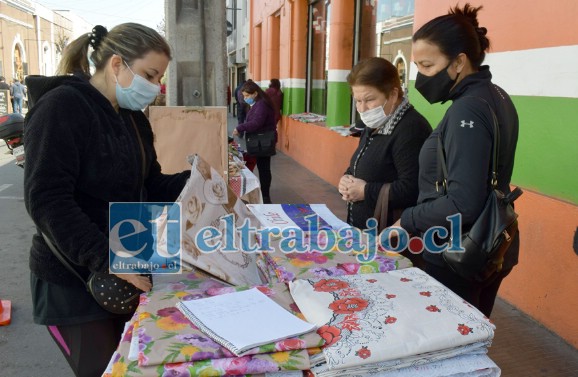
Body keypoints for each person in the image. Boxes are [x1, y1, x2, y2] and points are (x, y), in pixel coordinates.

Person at [23, 24, 191, 377]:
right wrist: (105, 258)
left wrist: (200, 182)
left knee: (137, 365)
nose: (156, 86)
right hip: (73, 278)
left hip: (127, 262)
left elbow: (151, 185)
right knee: (103, 370)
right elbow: (47, 199)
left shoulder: (132, 119)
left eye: (159, 77)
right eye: (149, 74)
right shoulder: (62, 108)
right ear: (117, 64)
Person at [393, 4, 519, 317]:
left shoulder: (468, 109)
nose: (420, 77)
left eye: (426, 65)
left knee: (451, 344)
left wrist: (407, 219)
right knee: (473, 333)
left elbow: (464, 202)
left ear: (459, 61)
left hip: (458, 251)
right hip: (488, 242)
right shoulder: (496, 95)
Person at [338, 57, 431, 234]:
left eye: (369, 100)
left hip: (389, 237)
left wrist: (365, 191)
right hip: (363, 230)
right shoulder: (373, 124)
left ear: (393, 95)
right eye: (357, 101)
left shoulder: (411, 128)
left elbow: (413, 189)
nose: (362, 109)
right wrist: (347, 179)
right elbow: (364, 163)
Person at [232, 80, 277, 204]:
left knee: (264, 169)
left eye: (247, 96)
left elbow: (256, 123)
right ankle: (262, 195)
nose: (245, 98)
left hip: (263, 142)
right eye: (244, 96)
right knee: (263, 168)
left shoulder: (261, 105)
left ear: (255, 93)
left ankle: (265, 197)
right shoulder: (258, 103)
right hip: (259, 142)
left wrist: (240, 128)